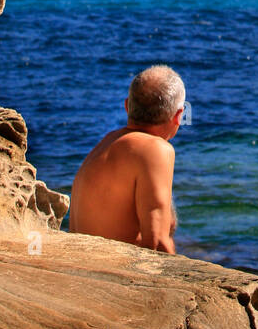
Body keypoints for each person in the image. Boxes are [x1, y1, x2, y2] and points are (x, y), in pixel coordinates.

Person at [68, 65, 185, 253]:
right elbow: (157, 242)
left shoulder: (107, 142)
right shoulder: (156, 149)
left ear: (127, 106)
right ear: (178, 116)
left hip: (82, 266)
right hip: (112, 275)